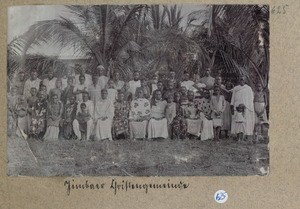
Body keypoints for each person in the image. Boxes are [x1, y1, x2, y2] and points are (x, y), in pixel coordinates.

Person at [230, 75, 255, 140]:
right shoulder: (236, 88)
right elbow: (233, 98)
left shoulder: (248, 88)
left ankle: (245, 135)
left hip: (245, 108)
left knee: (245, 122)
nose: (242, 81)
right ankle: (236, 135)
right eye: (240, 79)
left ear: (245, 80)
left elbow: (251, 98)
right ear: (239, 80)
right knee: (237, 121)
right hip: (237, 107)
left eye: (243, 79)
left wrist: (245, 105)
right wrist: (232, 106)